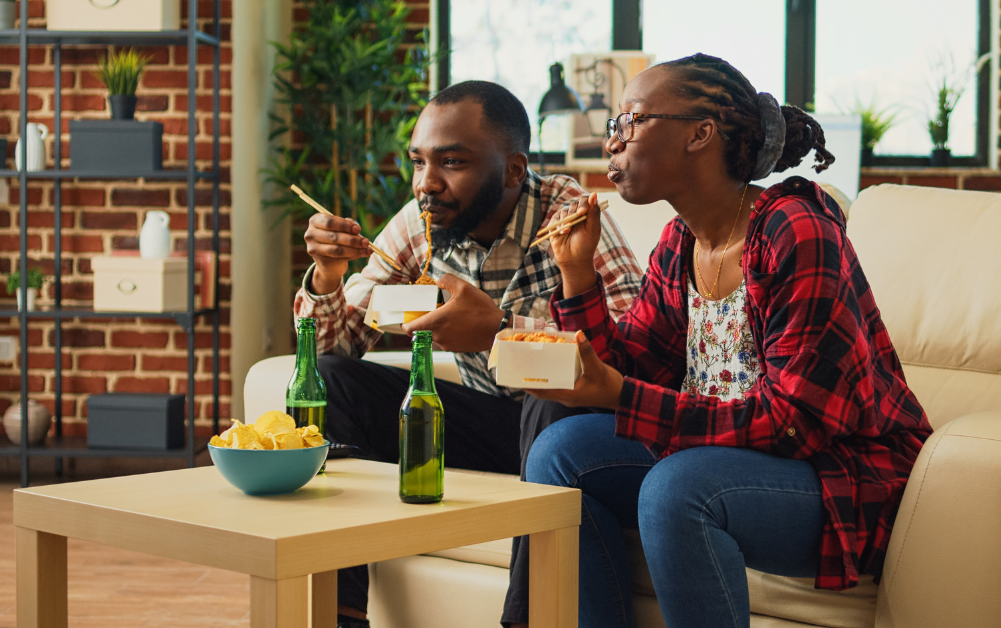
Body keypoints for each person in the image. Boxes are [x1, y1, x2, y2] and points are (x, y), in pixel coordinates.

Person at [506, 53, 932, 628]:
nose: (612, 142)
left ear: (699, 134)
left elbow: (794, 422)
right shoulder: (680, 241)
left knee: (675, 489)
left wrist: (622, 396)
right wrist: (579, 277)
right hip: (723, 459)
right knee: (558, 454)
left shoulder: (796, 231)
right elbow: (629, 365)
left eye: (628, 121)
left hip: (839, 478)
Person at [292, 80, 643, 628]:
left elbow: (631, 353)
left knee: (553, 394)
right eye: (418, 162)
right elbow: (337, 346)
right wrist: (328, 277)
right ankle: (340, 614)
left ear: (512, 170)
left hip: (566, 436)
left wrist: (499, 331)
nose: (427, 183)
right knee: (336, 381)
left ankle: (524, 618)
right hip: (485, 426)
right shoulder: (423, 218)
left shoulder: (569, 215)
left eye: (451, 162)